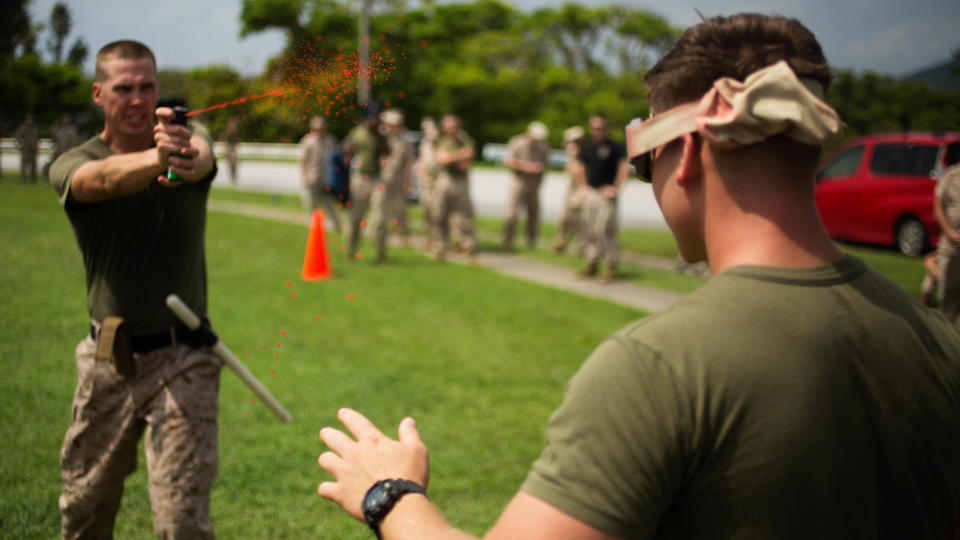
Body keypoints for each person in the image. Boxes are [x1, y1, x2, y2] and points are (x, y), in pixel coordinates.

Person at [315, 13, 960, 540]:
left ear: (689, 156)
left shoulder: (662, 366)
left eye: (646, 159)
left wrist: (390, 494)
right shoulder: (938, 339)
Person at [49, 40, 220, 539]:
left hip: (184, 354)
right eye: (124, 88)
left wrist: (181, 154)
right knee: (86, 507)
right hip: (110, 356)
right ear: (99, 94)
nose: (138, 99)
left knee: (182, 520)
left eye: (148, 86)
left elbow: (202, 157)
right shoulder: (74, 160)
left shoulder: (187, 140)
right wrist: (154, 158)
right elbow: (98, 182)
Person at [575, 114, 629, 281]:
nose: (598, 131)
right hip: (592, 193)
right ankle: (592, 264)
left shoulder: (614, 147)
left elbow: (624, 167)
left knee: (607, 229)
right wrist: (583, 186)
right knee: (590, 229)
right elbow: (580, 166)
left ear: (607, 129)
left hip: (607, 195)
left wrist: (616, 187)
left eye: (602, 128)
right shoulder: (587, 148)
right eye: (595, 128)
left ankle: (611, 266)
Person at [345, 103, 391, 262]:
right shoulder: (357, 133)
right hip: (359, 178)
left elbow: (387, 152)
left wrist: (380, 135)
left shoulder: (381, 135)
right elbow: (347, 154)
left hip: (377, 179)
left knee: (379, 218)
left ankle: (381, 252)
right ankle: (350, 251)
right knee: (356, 217)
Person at [430, 114, 477, 260]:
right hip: (444, 179)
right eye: (449, 127)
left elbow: (467, 162)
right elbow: (442, 159)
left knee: (463, 215)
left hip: (460, 181)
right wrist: (460, 155)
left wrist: (452, 157)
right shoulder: (441, 140)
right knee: (439, 214)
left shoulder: (465, 139)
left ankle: (467, 246)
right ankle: (439, 246)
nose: (452, 129)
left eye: (454, 126)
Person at [502, 121, 550, 252]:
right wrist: (527, 166)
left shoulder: (543, 146)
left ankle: (531, 242)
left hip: (534, 184)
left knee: (533, 214)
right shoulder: (516, 143)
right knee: (512, 214)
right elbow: (508, 161)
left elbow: (547, 163)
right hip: (518, 182)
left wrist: (540, 168)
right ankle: (508, 241)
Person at [298, 115, 342, 233]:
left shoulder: (330, 140)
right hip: (313, 177)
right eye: (316, 129)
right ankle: (315, 227)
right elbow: (303, 160)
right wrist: (304, 176)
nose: (319, 131)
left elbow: (336, 158)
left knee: (330, 203)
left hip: (327, 178)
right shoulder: (308, 141)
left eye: (321, 128)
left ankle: (336, 225)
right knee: (313, 204)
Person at [551, 126, 587, 254]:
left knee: (578, 217)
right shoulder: (573, 153)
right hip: (572, 186)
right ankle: (561, 241)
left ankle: (580, 245)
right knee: (566, 217)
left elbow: (578, 171)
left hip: (579, 187)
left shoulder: (583, 154)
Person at [381, 109, 414, 246]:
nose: (392, 127)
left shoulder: (404, 140)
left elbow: (408, 162)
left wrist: (408, 180)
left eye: (395, 124)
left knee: (400, 206)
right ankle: (384, 230)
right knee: (382, 204)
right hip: (383, 176)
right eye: (390, 124)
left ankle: (403, 231)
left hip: (399, 177)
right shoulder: (381, 138)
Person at [934, 160, 960, 322]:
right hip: (951, 246)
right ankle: (946, 327)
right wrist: (949, 232)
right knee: (947, 290)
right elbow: (937, 206)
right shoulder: (950, 176)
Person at [416, 117, 440, 246]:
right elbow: (422, 160)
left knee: (437, 211)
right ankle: (429, 237)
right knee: (427, 210)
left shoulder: (439, 141)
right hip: (425, 182)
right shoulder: (424, 143)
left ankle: (437, 239)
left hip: (437, 181)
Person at [16, 114, 40, 182]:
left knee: (33, 165)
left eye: (30, 120)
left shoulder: (35, 129)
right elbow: (18, 138)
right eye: (28, 120)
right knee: (24, 165)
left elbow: (38, 139)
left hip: (33, 149)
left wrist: (37, 147)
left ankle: (33, 179)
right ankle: (23, 178)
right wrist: (18, 146)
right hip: (25, 149)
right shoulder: (22, 128)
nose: (29, 121)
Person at [222, 115, 240, 185]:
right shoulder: (228, 130)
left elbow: (237, 140)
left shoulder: (235, 131)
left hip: (233, 148)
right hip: (229, 148)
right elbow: (225, 140)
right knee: (231, 163)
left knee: (234, 163)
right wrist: (225, 149)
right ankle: (232, 177)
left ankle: (234, 176)